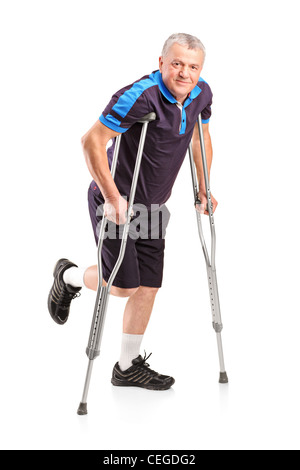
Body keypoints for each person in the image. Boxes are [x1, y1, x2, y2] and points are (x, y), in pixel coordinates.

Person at [47, 33, 218, 391]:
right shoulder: (139, 96)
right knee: (123, 286)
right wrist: (111, 196)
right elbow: (92, 140)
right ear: (161, 63)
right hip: (116, 202)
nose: (184, 73)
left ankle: (127, 366)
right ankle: (68, 278)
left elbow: (201, 139)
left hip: (154, 205)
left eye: (192, 66)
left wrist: (204, 188)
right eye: (176, 63)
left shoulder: (201, 93)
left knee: (149, 286)